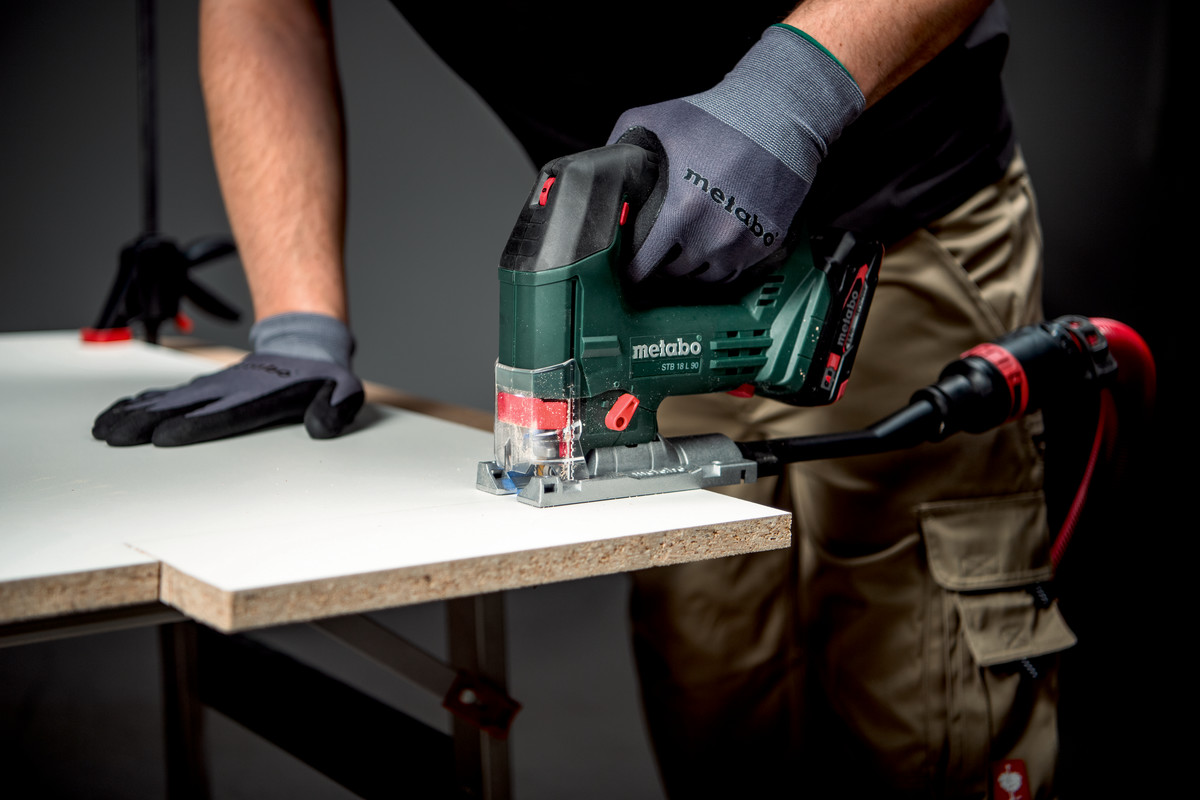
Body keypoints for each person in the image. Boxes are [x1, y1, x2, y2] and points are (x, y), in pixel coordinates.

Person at [94, 1, 1074, 796]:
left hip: (887, 224)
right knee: (715, 698)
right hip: (656, 271)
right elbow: (261, 7)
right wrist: (297, 320)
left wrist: (790, 92)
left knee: (923, 705)